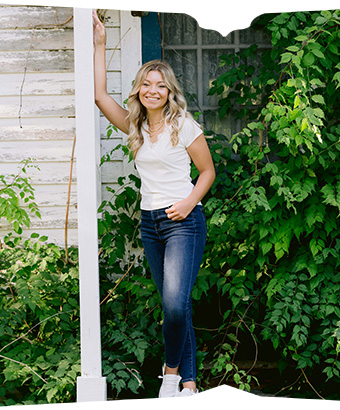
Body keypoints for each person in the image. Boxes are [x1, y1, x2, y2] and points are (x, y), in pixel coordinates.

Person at [92, 10, 216, 398]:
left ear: (169, 92)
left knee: (176, 305)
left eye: (159, 86)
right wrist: (100, 44)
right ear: (139, 90)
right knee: (174, 306)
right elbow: (99, 96)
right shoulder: (136, 126)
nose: (152, 91)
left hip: (183, 222)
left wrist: (188, 202)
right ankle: (190, 383)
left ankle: (170, 374)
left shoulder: (185, 126)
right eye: (146, 84)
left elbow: (208, 171)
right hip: (150, 224)